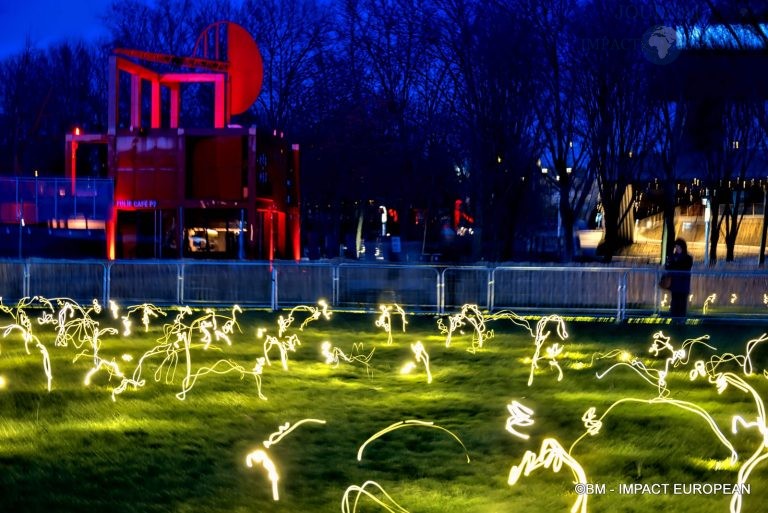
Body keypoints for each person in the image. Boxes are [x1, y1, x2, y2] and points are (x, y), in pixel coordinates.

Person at [664, 238, 693, 319]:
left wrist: (674, 264)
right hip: (675, 284)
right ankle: (674, 319)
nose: (677, 249)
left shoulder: (687, 258)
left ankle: (681, 320)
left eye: (678, 247)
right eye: (676, 247)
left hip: (683, 284)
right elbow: (668, 267)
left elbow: (685, 268)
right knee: (675, 302)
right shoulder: (673, 257)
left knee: (682, 303)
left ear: (682, 247)